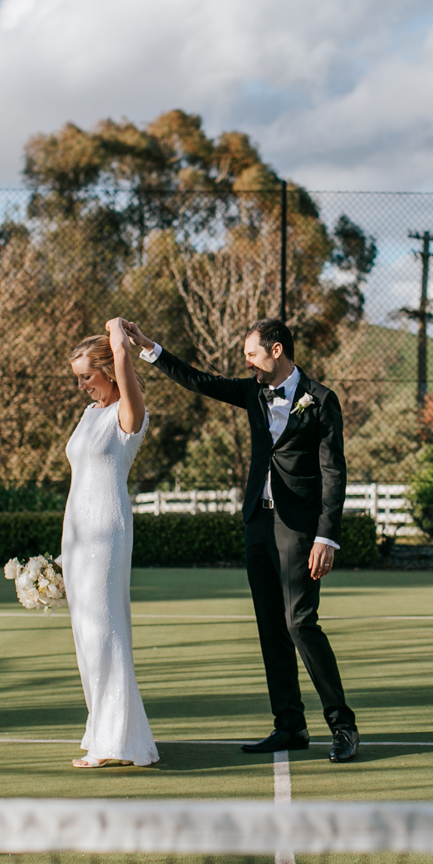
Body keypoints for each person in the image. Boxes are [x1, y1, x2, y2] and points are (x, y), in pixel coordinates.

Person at [119, 316, 359, 763]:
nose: (245, 362)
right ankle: (289, 726)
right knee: (271, 629)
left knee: (300, 624)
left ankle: (342, 726)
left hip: (300, 531)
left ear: (276, 350)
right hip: (257, 525)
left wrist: (326, 536)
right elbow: (198, 381)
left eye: (250, 353)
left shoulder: (322, 400)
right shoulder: (251, 392)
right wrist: (150, 348)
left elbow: (334, 473)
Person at [62, 319, 158, 768]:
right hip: (78, 531)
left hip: (108, 530)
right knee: (85, 635)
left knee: (105, 632)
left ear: (109, 369)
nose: (82, 385)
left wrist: (118, 331)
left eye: (87, 375)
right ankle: (102, 728)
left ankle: (115, 741)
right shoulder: (88, 415)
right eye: (78, 377)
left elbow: (122, 354)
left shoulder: (129, 414)